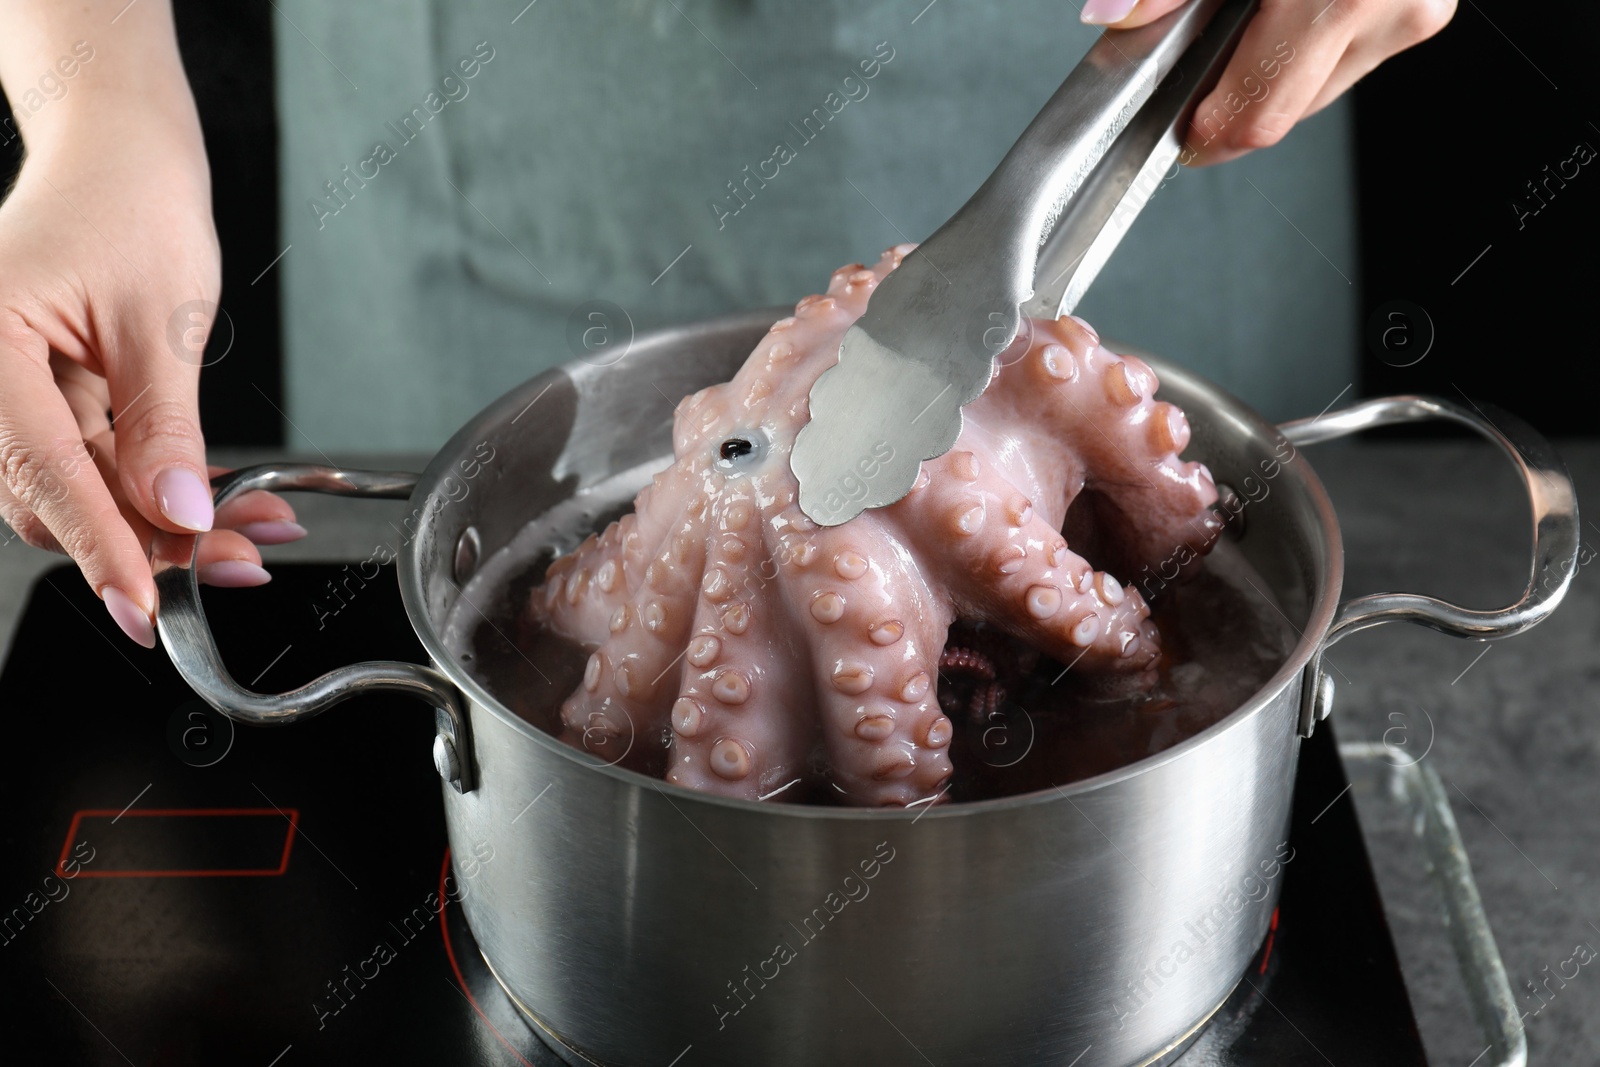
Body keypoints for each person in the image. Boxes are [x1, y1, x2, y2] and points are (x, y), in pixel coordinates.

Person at [0, 0, 1456, 648]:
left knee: (1212, 600)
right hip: (487, 107)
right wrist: (92, 98)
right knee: (470, 551)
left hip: (1136, 78)